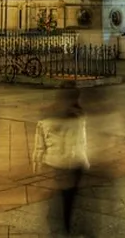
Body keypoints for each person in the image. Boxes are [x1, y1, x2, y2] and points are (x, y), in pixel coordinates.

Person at [33, 90, 90, 235]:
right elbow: (82, 141)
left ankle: (62, 227)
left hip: (58, 163)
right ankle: (67, 227)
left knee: (63, 197)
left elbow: (39, 146)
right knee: (68, 198)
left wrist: (37, 164)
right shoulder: (79, 117)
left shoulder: (47, 118)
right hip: (73, 163)